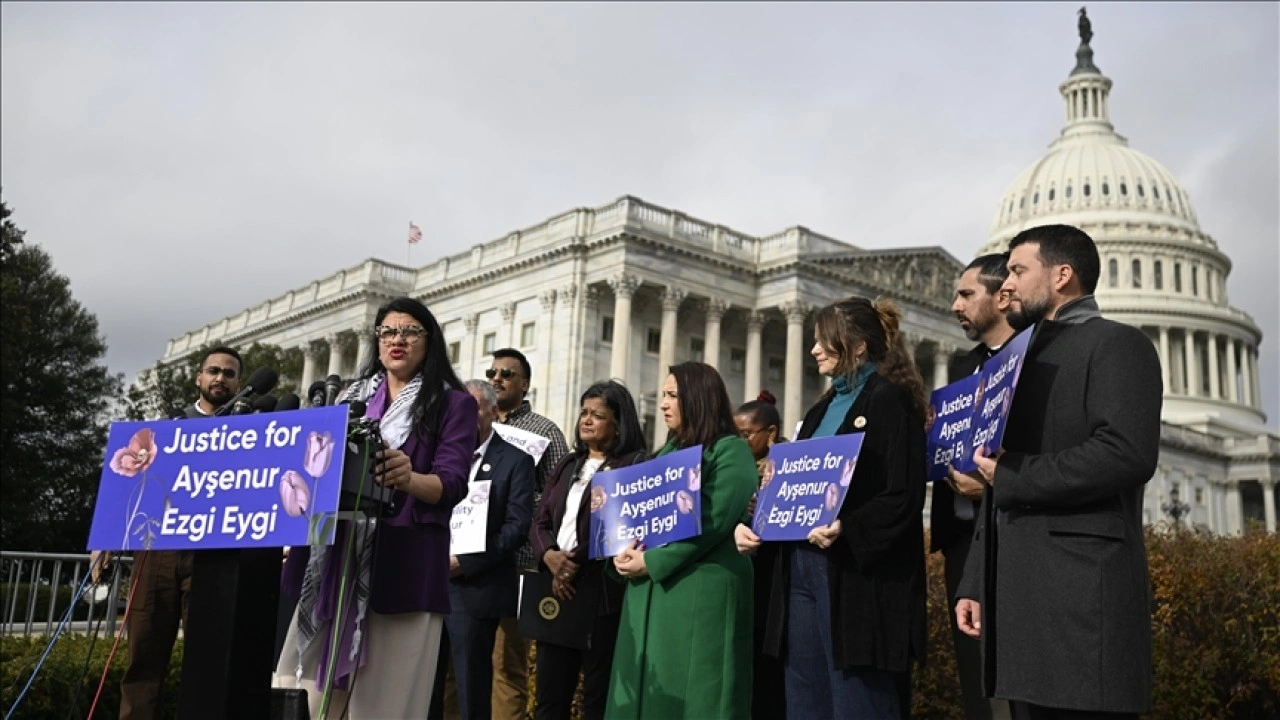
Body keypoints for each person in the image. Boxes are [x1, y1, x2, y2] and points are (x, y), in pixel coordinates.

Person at [956, 225, 1162, 719]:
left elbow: (1126, 453)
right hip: (1016, 596)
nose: (1007, 285)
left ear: (1062, 276)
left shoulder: (1117, 345)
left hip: (1080, 596)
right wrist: (975, 581)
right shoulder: (1016, 360)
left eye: (1019, 272)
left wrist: (1014, 474)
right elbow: (997, 474)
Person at [274, 297, 476, 719]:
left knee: (385, 706)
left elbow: (453, 483)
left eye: (409, 331)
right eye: (387, 331)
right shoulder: (350, 397)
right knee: (301, 693)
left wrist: (407, 477)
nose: (396, 340)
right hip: (334, 561)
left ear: (429, 341)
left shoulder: (453, 403)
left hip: (404, 565)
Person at [736, 296, 928, 719]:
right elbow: (795, 483)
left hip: (854, 576)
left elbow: (903, 495)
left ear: (857, 346)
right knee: (804, 692)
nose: (814, 350)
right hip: (799, 568)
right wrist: (757, 521)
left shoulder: (888, 400)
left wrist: (848, 527)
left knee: (856, 698)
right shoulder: (819, 408)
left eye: (824, 340)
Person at [607, 361, 757, 719]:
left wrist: (652, 562)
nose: (662, 404)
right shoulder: (662, 454)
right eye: (663, 395)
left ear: (699, 399)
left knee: (697, 698)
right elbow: (636, 518)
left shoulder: (730, 450)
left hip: (700, 592)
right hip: (649, 593)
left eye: (672, 395)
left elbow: (713, 520)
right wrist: (621, 552)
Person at [117, 346, 241, 719]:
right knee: (144, 656)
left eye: (229, 373)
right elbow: (130, 486)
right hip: (159, 549)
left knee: (207, 662)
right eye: (213, 371)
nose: (220, 378)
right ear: (198, 378)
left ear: (239, 383)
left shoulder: (253, 433)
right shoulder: (167, 427)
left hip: (215, 555)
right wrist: (107, 538)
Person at [529, 380, 647, 720]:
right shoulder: (568, 463)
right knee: (550, 698)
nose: (587, 420)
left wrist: (572, 562)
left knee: (597, 698)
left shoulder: (633, 464)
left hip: (599, 594)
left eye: (598, 415)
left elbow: (616, 526)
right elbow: (539, 520)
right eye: (584, 413)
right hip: (556, 587)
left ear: (618, 424)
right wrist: (549, 555)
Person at [934, 253, 1015, 720]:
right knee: (976, 686)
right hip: (962, 539)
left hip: (1012, 534)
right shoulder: (963, 367)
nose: (955, 305)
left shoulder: (1035, 358)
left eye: (966, 294)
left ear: (1002, 296)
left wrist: (995, 488)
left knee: (1013, 680)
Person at [429, 380, 535, 720]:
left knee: (470, 686)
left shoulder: (516, 460)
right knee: (427, 684)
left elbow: (516, 527)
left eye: (472, 406)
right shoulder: (437, 454)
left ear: (492, 411)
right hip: (429, 585)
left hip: (475, 589)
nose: (463, 414)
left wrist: (467, 561)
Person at [487, 347, 571, 720]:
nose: (497, 379)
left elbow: (560, 497)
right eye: (492, 372)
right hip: (467, 562)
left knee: (508, 665)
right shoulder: (473, 425)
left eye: (507, 373)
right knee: (460, 663)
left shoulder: (544, 431)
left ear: (525, 384)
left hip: (518, 563)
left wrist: (517, 499)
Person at [733, 390, 787, 720]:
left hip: (773, 576)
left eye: (746, 435)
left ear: (770, 434)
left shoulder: (786, 468)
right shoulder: (736, 468)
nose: (741, 443)